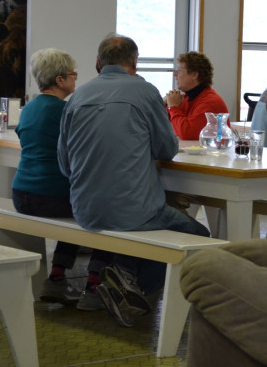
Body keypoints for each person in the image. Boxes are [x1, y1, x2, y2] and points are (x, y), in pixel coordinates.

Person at [58, 35, 209, 328]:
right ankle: (134, 287)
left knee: (146, 224)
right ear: (135, 62)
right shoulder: (144, 91)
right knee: (199, 237)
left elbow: (65, 166)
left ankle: (125, 277)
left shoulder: (77, 97)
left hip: (84, 209)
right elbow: (167, 148)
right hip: (136, 209)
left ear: (98, 63)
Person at [12, 49, 112, 310]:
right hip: (50, 196)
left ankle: (57, 277)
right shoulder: (67, 111)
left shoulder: (30, 107)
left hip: (22, 194)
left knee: (79, 204)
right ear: (59, 80)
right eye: (72, 74)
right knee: (106, 211)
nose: (75, 79)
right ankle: (94, 284)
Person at [164, 51, 229, 140]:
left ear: (194, 74)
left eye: (179, 71)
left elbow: (186, 132)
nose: (174, 74)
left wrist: (173, 107)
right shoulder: (186, 98)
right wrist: (163, 104)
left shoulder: (210, 102)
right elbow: (165, 124)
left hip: (213, 153)